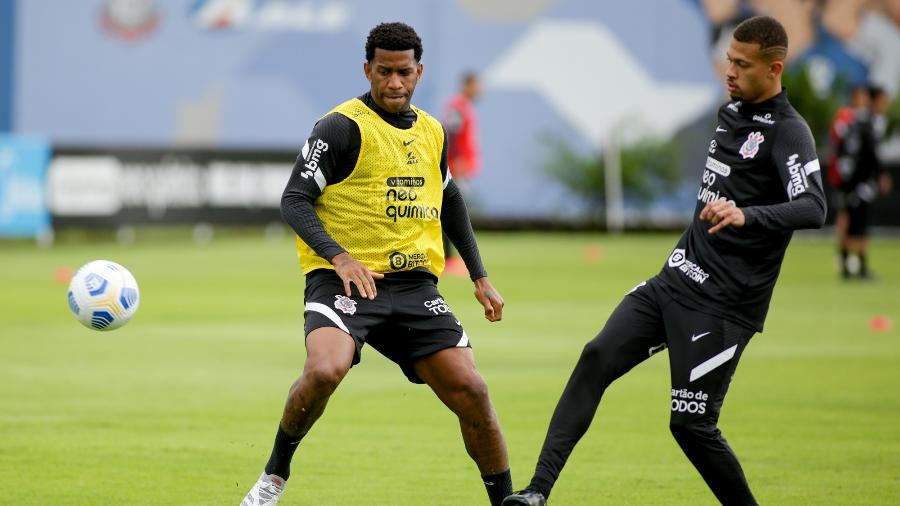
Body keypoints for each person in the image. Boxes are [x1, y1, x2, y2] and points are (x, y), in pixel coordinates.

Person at [503, 16, 826, 506]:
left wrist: (746, 214)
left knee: (692, 426)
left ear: (774, 68)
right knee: (595, 359)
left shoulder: (788, 132)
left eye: (741, 64)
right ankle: (536, 492)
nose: (729, 70)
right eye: (728, 59)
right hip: (674, 280)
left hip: (722, 306)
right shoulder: (730, 112)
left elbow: (814, 206)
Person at [240, 22, 512, 506]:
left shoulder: (432, 131)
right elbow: (294, 199)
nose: (393, 83)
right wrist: (339, 257)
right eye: (383, 71)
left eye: (404, 72)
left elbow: (451, 200)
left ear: (419, 71)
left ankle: (506, 501)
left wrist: (480, 276)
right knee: (325, 371)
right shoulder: (340, 127)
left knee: (473, 390)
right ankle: (273, 477)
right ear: (367, 69)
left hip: (414, 288)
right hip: (345, 281)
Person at [827, 84, 890, 279]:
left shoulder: (846, 119)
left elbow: (836, 149)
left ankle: (847, 263)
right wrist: (879, 174)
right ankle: (859, 266)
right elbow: (869, 152)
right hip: (858, 181)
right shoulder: (861, 120)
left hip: (846, 180)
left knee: (847, 219)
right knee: (858, 223)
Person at [441, 72, 483, 277]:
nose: (480, 90)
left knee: (453, 211)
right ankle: (447, 259)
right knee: (451, 212)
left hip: (459, 166)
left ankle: (448, 258)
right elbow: (452, 133)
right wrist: (456, 161)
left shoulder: (463, 105)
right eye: (477, 85)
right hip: (454, 167)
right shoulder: (458, 105)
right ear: (467, 85)